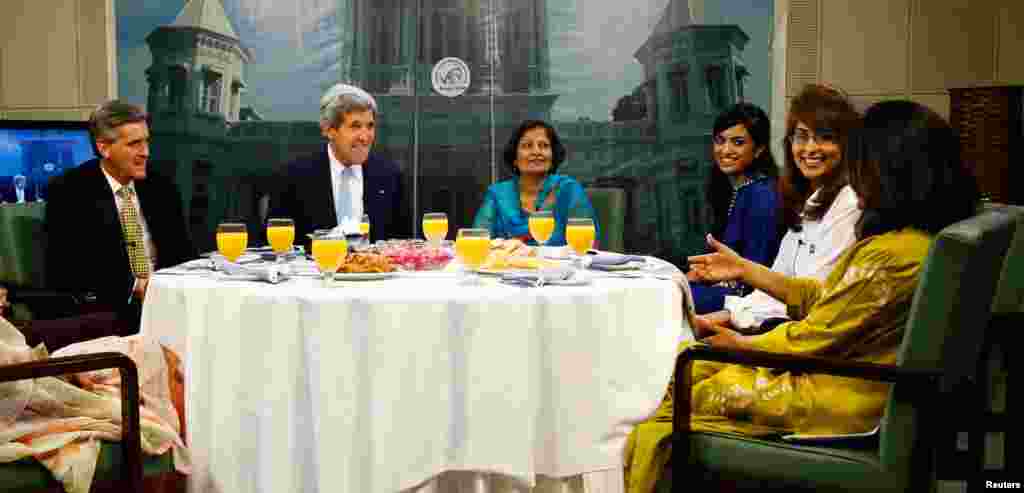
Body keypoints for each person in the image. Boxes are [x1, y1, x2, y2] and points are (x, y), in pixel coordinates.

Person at [623, 100, 979, 493]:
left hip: (840, 395)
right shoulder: (913, 240)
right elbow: (830, 298)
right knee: (679, 374)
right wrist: (747, 271)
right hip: (856, 380)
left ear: (891, 171)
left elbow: (813, 338)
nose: (855, 177)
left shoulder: (890, 254)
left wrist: (740, 344)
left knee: (659, 399)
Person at [699, 84, 861, 334]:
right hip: (770, 328)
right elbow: (771, 293)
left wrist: (740, 276)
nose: (810, 148)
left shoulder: (848, 203)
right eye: (801, 136)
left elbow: (809, 302)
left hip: (796, 345)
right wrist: (710, 321)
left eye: (825, 137)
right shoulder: (808, 201)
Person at [44, 100, 194, 330]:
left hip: (169, 300)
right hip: (108, 310)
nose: (146, 152)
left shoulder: (161, 186)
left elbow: (182, 251)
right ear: (104, 148)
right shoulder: (69, 191)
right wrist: (135, 285)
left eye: (146, 141)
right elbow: (67, 270)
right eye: (134, 144)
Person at [268, 83, 408, 244]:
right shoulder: (293, 177)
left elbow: (402, 245)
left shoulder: (389, 175)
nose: (365, 136)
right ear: (329, 130)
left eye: (370, 126)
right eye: (355, 126)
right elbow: (274, 247)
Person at [689, 103, 783, 314]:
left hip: (749, 301)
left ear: (759, 149)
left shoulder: (763, 196)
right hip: (722, 288)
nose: (725, 150)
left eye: (738, 142)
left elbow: (754, 281)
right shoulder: (733, 189)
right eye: (720, 141)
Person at [473, 120, 598, 246]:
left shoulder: (569, 189)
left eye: (544, 145)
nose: (536, 152)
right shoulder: (497, 194)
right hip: (508, 264)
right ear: (515, 158)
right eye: (527, 146)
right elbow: (477, 241)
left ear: (552, 156)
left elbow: (585, 245)